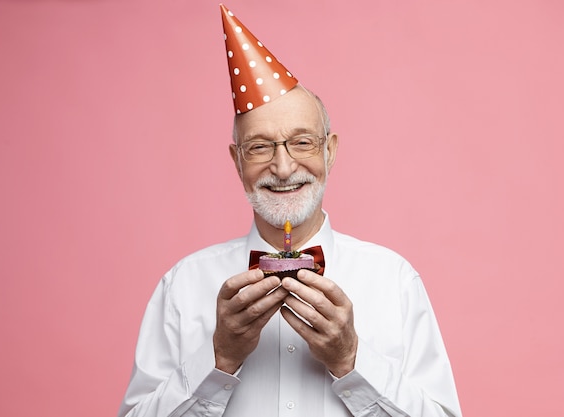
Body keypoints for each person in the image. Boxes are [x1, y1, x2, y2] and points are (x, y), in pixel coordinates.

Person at [118, 4, 461, 417]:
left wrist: (352, 360)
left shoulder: (395, 281)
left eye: (302, 142)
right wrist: (219, 358)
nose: (282, 168)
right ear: (237, 160)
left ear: (329, 151)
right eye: (260, 147)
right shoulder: (182, 287)